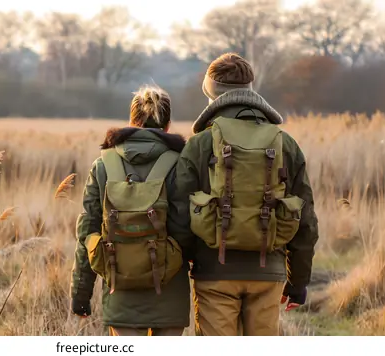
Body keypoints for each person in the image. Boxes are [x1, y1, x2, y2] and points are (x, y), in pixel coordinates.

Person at [168, 53, 319, 336]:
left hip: (214, 274)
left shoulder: (200, 145)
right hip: (268, 275)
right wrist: (298, 282)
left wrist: (194, 258)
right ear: (251, 88)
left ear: (210, 93)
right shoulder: (285, 143)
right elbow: (306, 219)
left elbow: (179, 215)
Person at [70, 85, 192, 336]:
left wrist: (81, 294)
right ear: (167, 125)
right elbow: (188, 230)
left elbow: (87, 232)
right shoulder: (181, 164)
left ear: (132, 121)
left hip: (120, 291)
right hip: (170, 294)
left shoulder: (103, 165)